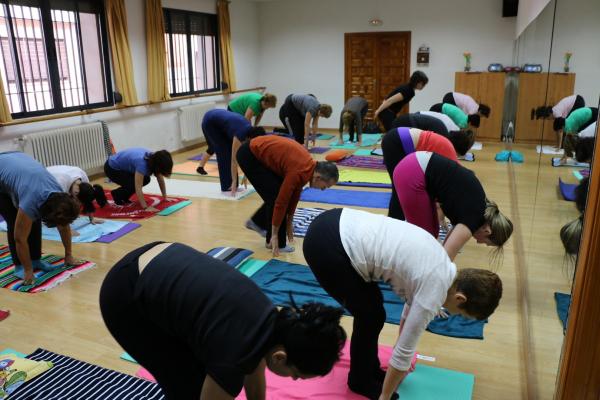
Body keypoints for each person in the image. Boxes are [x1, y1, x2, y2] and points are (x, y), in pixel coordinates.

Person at [100, 241, 347, 400]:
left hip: (156, 254)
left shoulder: (272, 322)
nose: (293, 380)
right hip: (125, 296)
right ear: (280, 357)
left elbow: (255, 363)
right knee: (188, 387)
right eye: (295, 375)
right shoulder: (234, 357)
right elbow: (244, 362)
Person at [303, 208, 503, 400]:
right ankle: (359, 380)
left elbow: (408, 315)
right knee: (369, 315)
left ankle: (368, 370)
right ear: (460, 298)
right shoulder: (433, 291)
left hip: (334, 223)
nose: (454, 315)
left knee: (373, 311)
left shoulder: (443, 264)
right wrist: (385, 396)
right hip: (328, 245)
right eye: (461, 314)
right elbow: (404, 353)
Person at [393, 151, 512, 260]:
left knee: (431, 237)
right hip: (412, 172)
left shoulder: (478, 208)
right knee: (425, 240)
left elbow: (445, 249)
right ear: (487, 231)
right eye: (486, 242)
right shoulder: (473, 219)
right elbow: (445, 259)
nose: (478, 243)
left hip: (415, 165)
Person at [237, 135, 339, 256]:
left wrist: (289, 222)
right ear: (318, 177)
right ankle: (275, 241)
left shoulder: (308, 168)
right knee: (276, 197)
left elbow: (295, 195)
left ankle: (257, 223)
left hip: (257, 153)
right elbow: (281, 201)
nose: (323, 190)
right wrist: (275, 233)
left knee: (277, 194)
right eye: (325, 186)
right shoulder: (299, 170)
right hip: (250, 155)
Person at [0, 152, 81, 285]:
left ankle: (35, 259)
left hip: (17, 161)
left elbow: (64, 226)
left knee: (34, 218)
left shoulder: (59, 194)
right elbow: (20, 239)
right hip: (3, 174)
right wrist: (28, 270)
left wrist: (68, 255)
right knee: (15, 223)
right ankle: (20, 265)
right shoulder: (31, 200)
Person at [382, 127, 473, 220]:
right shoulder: (451, 160)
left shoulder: (450, 156)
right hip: (396, 141)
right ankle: (394, 226)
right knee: (399, 190)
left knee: (405, 190)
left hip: (397, 138)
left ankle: (397, 222)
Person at [201, 109, 266, 195]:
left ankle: (233, 184)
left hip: (218, 118)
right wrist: (234, 180)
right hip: (210, 122)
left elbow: (249, 156)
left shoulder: (249, 130)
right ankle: (227, 186)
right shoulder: (240, 134)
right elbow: (234, 160)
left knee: (229, 150)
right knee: (224, 153)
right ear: (250, 138)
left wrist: (246, 175)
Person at [104, 148, 173, 211]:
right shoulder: (142, 164)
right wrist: (146, 207)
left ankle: (124, 197)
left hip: (123, 168)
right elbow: (138, 188)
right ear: (158, 167)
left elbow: (160, 179)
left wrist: (165, 197)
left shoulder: (155, 159)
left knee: (146, 179)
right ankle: (117, 194)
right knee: (133, 184)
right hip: (111, 168)